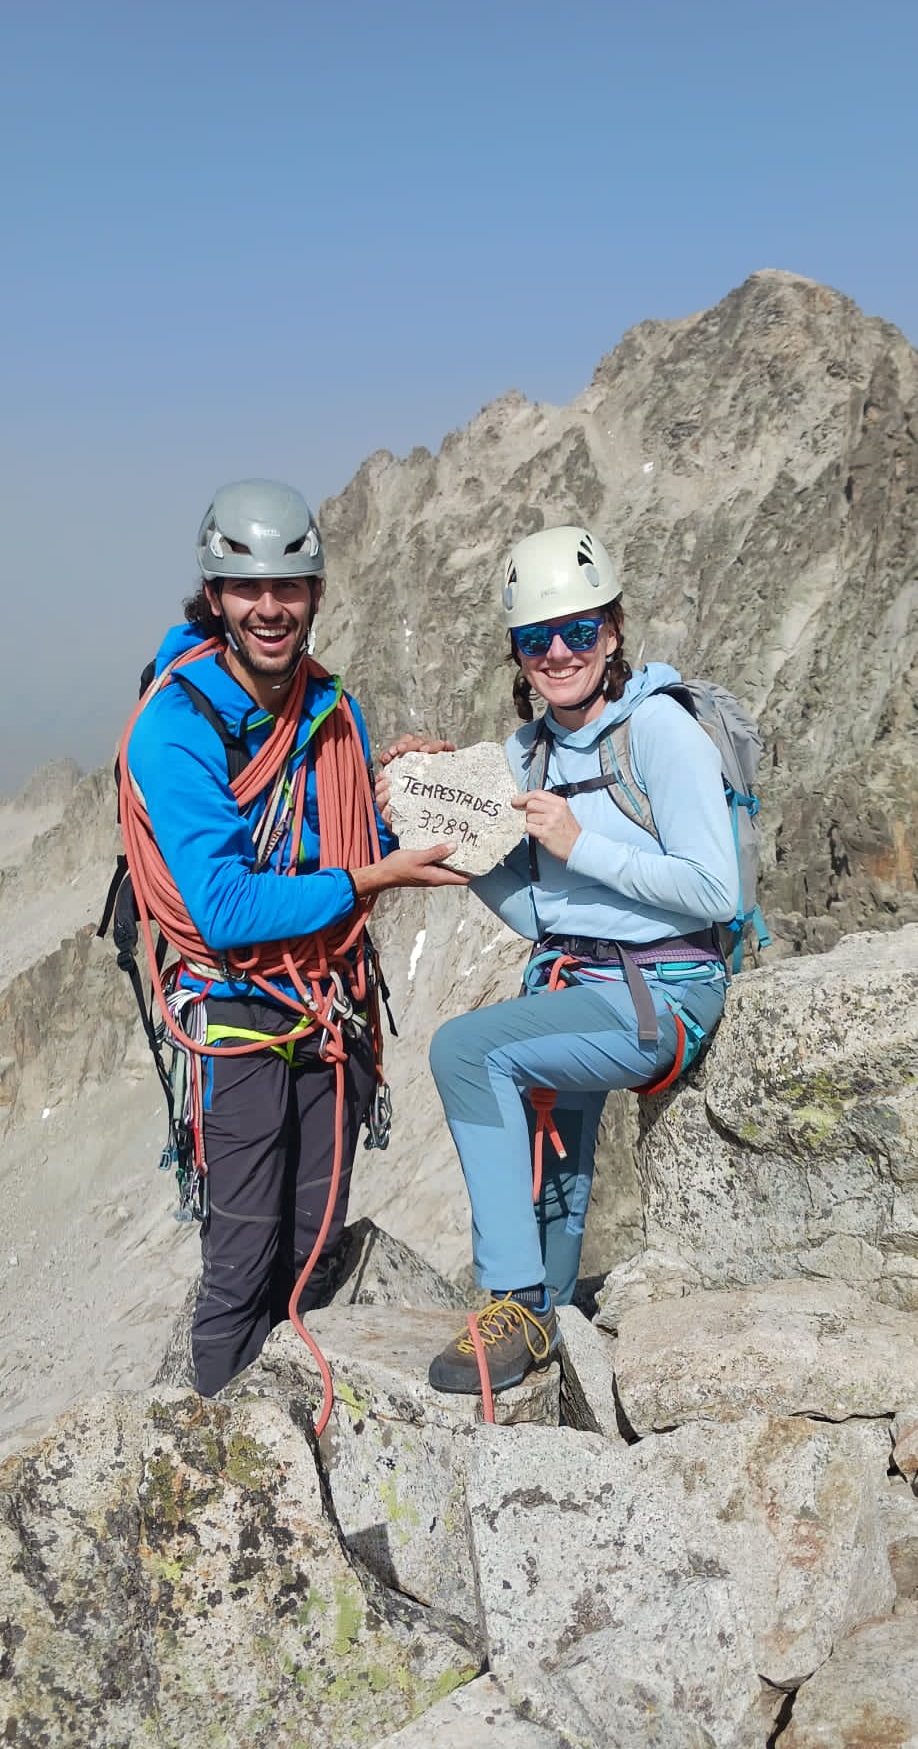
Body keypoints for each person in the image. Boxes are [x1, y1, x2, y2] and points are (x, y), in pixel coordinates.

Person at [122, 479, 465, 1395]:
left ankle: (291, 1448)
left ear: (314, 592)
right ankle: (225, 1477)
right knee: (239, 1266)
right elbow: (229, 911)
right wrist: (368, 878)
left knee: (313, 1246)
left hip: (329, 1008)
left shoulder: (329, 708)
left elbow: (347, 843)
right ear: (216, 596)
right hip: (235, 1015)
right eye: (249, 590)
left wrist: (408, 801)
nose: (270, 608)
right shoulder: (175, 726)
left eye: (290, 587)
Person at [418, 524, 739, 1394]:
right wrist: (455, 844)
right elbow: (541, 913)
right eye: (535, 638)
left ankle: (510, 1297)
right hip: (578, 984)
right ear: (517, 654)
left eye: (580, 631)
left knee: (464, 1049)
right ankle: (547, 1330)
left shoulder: (661, 736)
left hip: (663, 993)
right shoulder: (528, 754)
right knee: (556, 1188)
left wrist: (578, 842)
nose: (559, 652)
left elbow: (717, 890)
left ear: (615, 629)